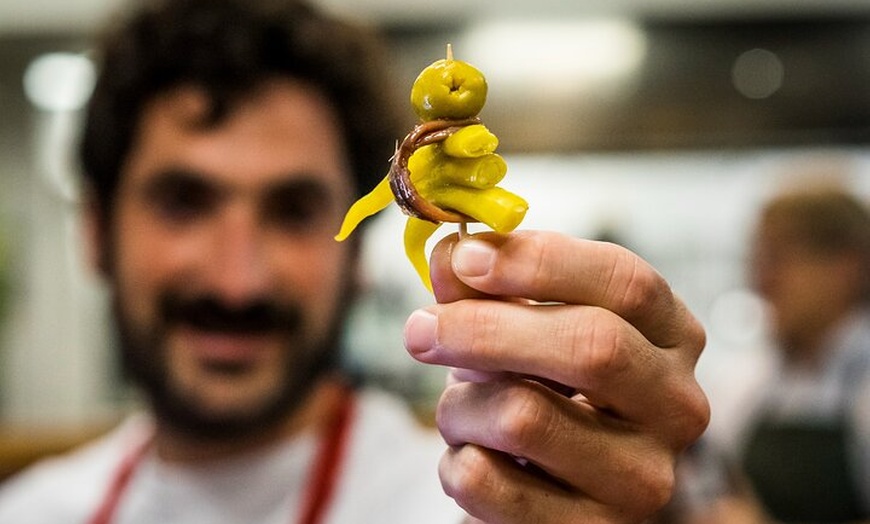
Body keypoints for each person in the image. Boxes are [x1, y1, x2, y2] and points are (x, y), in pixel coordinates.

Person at [0, 0, 710, 522]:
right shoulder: (30, 512)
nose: (237, 278)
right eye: (185, 203)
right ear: (94, 229)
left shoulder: (468, 503)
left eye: (294, 210)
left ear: (358, 243)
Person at [670, 182, 870, 524]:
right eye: (759, 259)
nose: (761, 282)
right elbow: (704, 478)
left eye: (779, 260)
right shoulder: (748, 381)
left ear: (847, 266)